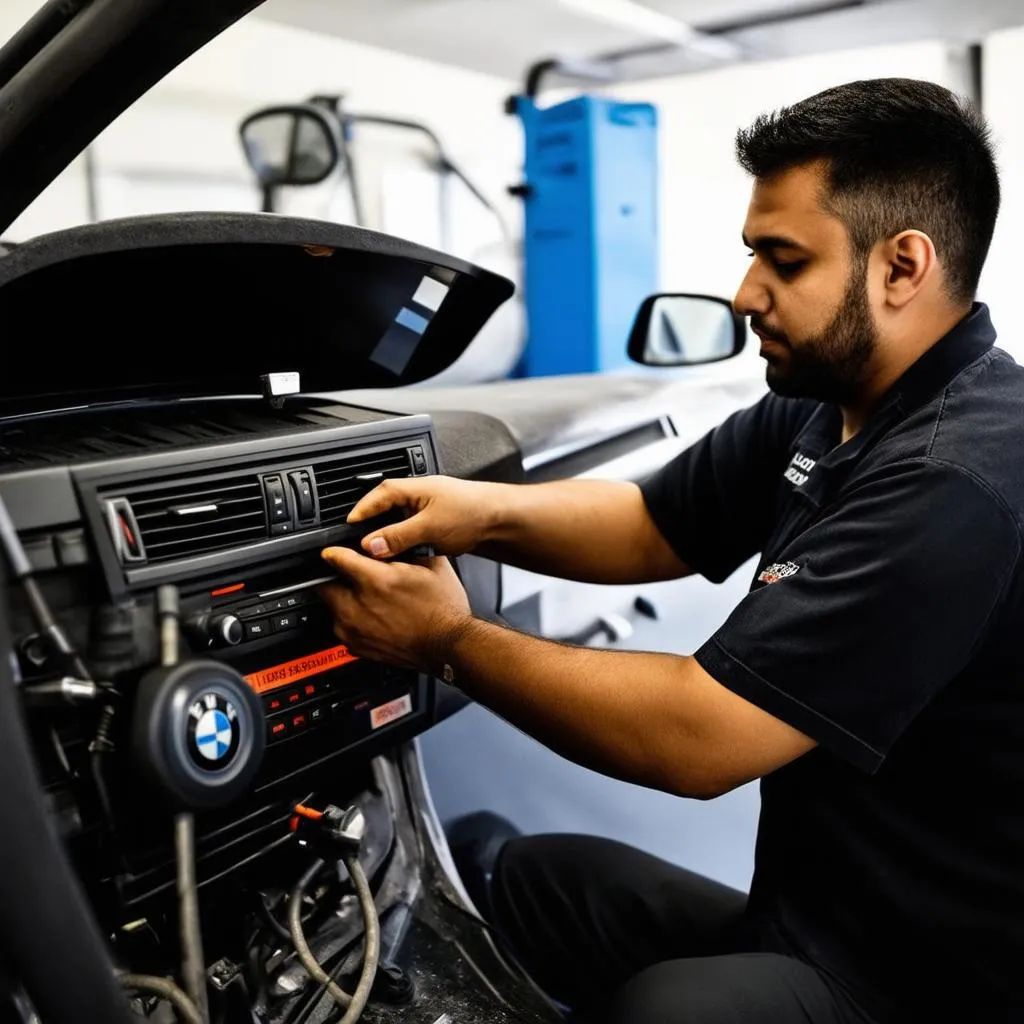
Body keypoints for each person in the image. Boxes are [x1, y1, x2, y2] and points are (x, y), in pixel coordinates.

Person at [317, 78, 1024, 1022]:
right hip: (820, 911)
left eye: (783, 260)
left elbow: (700, 739)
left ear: (903, 267)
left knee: (669, 1008)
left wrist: (446, 640)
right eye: (750, 255)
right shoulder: (834, 403)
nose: (745, 294)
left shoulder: (956, 477)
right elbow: (656, 524)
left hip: (922, 979)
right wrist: (475, 510)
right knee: (516, 874)